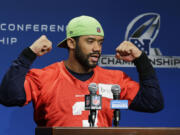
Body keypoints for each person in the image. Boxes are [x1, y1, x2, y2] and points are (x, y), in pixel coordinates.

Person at [0, 15, 164, 127]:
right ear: (71, 43)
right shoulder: (45, 77)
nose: (96, 49)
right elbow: (9, 97)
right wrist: (28, 54)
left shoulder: (115, 80)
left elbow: (152, 103)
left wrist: (141, 59)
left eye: (100, 43)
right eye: (90, 41)